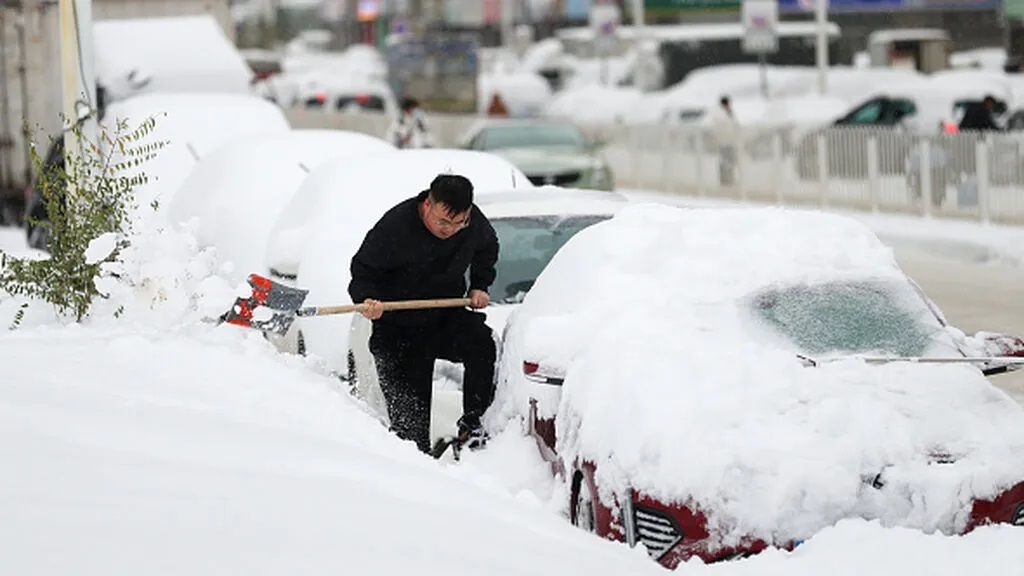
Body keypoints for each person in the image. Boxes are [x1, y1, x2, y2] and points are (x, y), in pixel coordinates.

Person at [349, 174, 499, 454]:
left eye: (459, 223)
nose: (451, 230)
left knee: (481, 341)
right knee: (411, 435)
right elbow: (362, 270)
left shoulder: (473, 222)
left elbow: (487, 248)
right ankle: (414, 471)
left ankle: (473, 425)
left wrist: (480, 284)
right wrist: (367, 300)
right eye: (443, 222)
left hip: (445, 316)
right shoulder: (395, 227)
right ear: (428, 204)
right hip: (398, 329)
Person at [710, 95, 739, 187]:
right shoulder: (719, 114)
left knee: (730, 160)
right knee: (725, 161)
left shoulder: (729, 113)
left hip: (730, 141)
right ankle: (725, 181)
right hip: (723, 141)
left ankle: (729, 180)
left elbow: (734, 125)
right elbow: (719, 128)